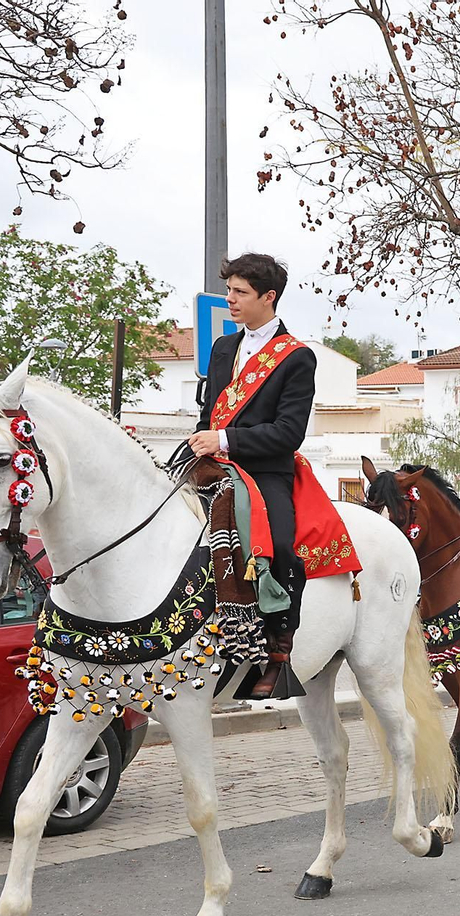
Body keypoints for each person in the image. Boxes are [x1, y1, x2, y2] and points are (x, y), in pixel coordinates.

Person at [190, 253, 316, 700]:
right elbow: (210, 414)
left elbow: (288, 432)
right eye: (229, 291)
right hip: (213, 460)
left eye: (240, 293)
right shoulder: (223, 348)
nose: (230, 300)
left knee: (280, 544)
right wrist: (204, 439)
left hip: (266, 469)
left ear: (269, 297)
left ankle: (279, 653)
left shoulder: (297, 357)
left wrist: (224, 441)